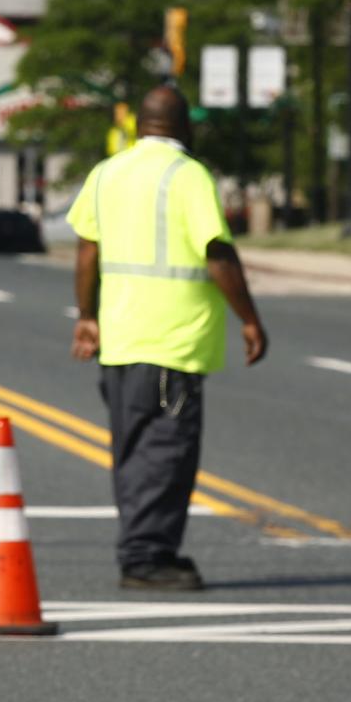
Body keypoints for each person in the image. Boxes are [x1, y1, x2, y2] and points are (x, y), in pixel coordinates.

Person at [67, 84, 269, 592]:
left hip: (120, 338)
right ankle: (146, 558)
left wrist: (86, 315)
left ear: (138, 125)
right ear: (185, 126)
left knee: (134, 453)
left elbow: (87, 252)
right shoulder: (189, 176)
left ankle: (142, 550)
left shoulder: (106, 173)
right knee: (166, 454)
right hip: (172, 342)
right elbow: (216, 254)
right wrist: (248, 317)